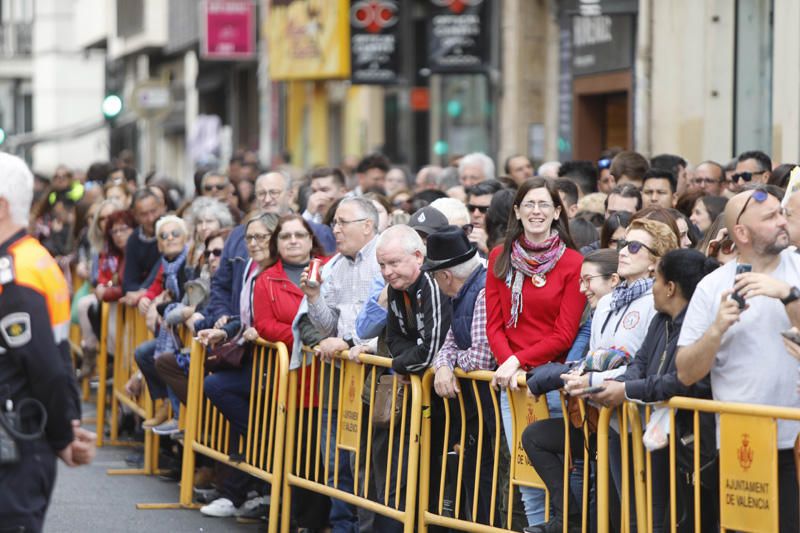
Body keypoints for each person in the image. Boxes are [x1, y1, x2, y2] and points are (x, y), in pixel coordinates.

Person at [676, 187, 800, 533]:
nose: (781, 222)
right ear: (742, 233)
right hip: (741, 444)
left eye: (782, 214)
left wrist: (788, 296)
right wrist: (716, 329)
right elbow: (685, 371)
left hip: (795, 442)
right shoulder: (712, 286)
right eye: (770, 217)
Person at [590, 248, 720, 532]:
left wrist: (626, 390)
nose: (653, 287)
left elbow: (681, 381)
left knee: (690, 519)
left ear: (671, 287)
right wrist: (626, 385)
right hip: (659, 435)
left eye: (657, 280)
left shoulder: (699, 326)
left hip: (693, 442)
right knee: (655, 517)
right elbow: (640, 362)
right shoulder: (660, 319)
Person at [0, 153, 95, 531]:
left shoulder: (16, 276)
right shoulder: (35, 260)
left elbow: (47, 368)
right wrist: (66, 423)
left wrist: (60, 436)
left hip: (15, 443)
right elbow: (58, 353)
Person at [485, 177, 586, 526]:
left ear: (557, 211)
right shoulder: (500, 256)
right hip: (513, 383)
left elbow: (563, 333)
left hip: (550, 382)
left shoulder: (573, 263)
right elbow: (494, 325)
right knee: (526, 477)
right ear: (517, 210)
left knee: (563, 475)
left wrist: (518, 361)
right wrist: (508, 364)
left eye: (544, 204)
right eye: (529, 204)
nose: (536, 211)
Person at [298, 196, 383, 533]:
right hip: (338, 373)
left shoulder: (383, 260)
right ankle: (340, 525)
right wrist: (314, 297)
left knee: (364, 463)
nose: (335, 228)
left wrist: (349, 344)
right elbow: (327, 326)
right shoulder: (334, 265)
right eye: (333, 222)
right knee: (335, 457)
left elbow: (392, 326)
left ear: (367, 226)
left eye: (342, 222)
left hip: (374, 373)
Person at [521, 249, 621, 533]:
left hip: (620, 424)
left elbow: (607, 362)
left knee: (613, 514)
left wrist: (558, 373)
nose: (581, 288)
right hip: (594, 423)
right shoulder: (599, 311)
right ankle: (568, 519)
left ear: (613, 280)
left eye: (588, 280)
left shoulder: (627, 310)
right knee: (535, 437)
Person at [197, 212, 279, 518]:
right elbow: (243, 317)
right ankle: (261, 452)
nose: (255, 243)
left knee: (221, 390)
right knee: (218, 388)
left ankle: (262, 456)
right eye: (250, 238)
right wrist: (226, 330)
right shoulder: (249, 268)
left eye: (262, 237)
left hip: (274, 362)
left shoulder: (279, 271)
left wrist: (260, 332)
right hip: (251, 356)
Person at [426, 226, 496, 525]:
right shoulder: (463, 293)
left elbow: (482, 356)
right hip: (475, 410)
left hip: (491, 409)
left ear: (444, 276)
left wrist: (451, 368)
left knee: (489, 485)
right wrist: (444, 367)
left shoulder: (481, 291)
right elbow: (450, 343)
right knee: (474, 482)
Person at [120, 188, 166, 304]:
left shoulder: (171, 231)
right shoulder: (134, 239)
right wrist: (136, 293)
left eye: (153, 211)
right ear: (135, 216)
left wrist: (144, 291)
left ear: (161, 207)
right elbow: (129, 280)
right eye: (144, 214)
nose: (151, 218)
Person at [466, 179, 503, 254]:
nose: (475, 214)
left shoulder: (512, 239)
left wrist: (488, 249)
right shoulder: (461, 234)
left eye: (483, 209)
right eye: (471, 208)